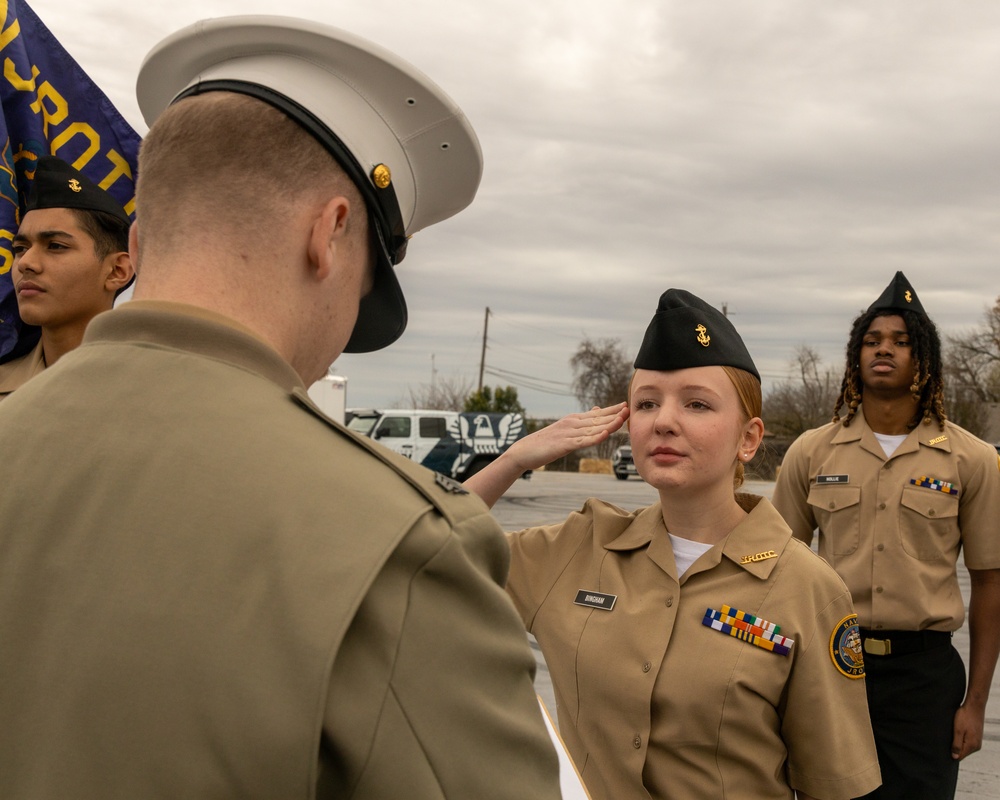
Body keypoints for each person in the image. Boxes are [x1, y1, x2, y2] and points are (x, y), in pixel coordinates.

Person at [0, 16, 560, 799]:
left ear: (141, 235)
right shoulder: (401, 545)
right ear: (329, 235)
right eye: (362, 289)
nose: (337, 344)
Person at [466, 288, 882, 800]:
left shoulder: (806, 589)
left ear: (748, 439)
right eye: (646, 403)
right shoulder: (577, 550)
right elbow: (425, 546)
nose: (663, 420)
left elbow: (835, 787)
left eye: (697, 403)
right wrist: (513, 461)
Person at [772, 272, 1000, 800]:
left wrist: (976, 703)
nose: (885, 350)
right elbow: (773, 565)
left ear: (923, 357)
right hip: (830, 671)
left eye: (900, 341)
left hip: (924, 679)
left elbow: (990, 584)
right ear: (856, 355)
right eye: (873, 341)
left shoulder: (972, 460)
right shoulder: (812, 452)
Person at [0, 156, 134, 399]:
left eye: (55, 246)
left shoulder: (154, 387)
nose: (26, 263)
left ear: (117, 270)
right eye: (20, 249)